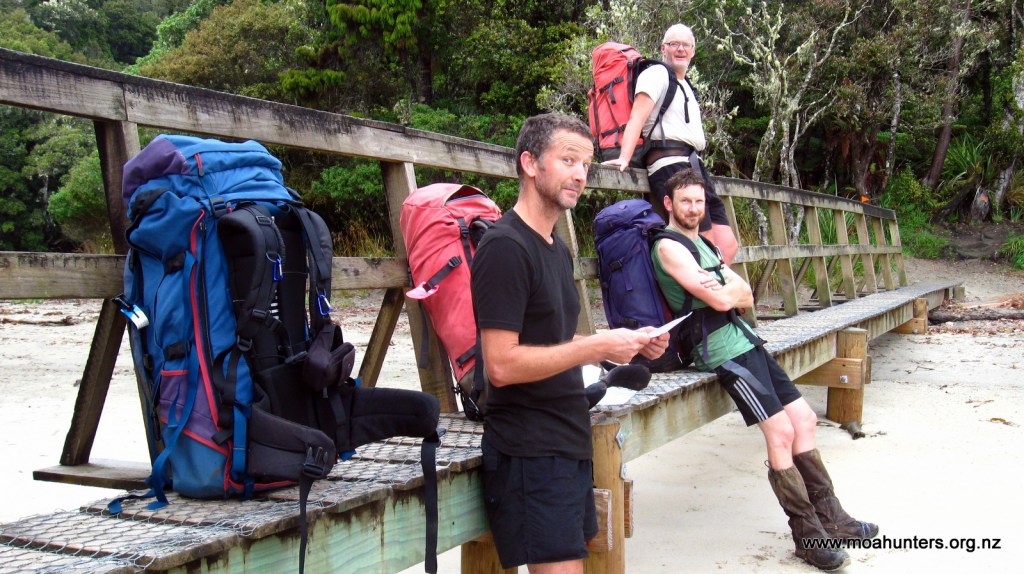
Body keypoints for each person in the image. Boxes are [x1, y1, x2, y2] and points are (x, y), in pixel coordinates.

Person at [651, 167, 878, 572]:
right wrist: (726, 292)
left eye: (699, 201)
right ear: (668, 204)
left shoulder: (705, 244)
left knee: (804, 419)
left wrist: (727, 291)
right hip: (720, 351)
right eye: (685, 201)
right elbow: (723, 301)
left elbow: (744, 295)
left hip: (745, 341)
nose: (694, 208)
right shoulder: (669, 247)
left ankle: (833, 520)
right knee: (781, 430)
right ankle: (807, 538)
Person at [470, 113, 669, 573]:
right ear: (530, 163)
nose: (581, 174)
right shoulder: (504, 247)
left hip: (566, 436)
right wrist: (598, 347)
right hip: (529, 449)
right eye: (568, 160)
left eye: (587, 164)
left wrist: (627, 342)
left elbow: (554, 341)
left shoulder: (556, 247)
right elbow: (501, 364)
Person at [603, 23, 739, 265]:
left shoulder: (685, 84)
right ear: (662, 48)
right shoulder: (656, 74)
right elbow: (638, 116)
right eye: (673, 44)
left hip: (692, 163)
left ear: (693, 51)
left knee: (727, 244)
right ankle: (698, 299)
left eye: (685, 45)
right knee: (701, 239)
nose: (680, 49)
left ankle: (714, 292)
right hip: (669, 162)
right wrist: (625, 156)